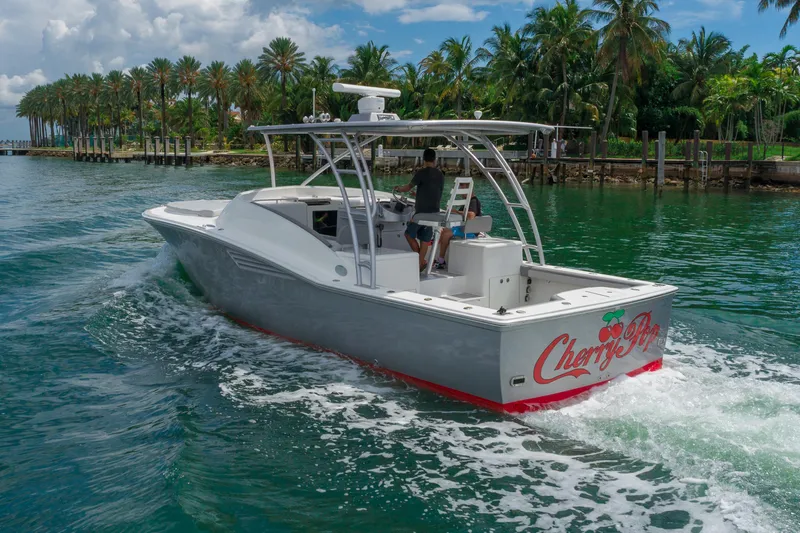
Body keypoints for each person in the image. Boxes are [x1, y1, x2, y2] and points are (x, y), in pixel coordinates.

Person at [394, 148, 444, 270]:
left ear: (423, 159)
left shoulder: (421, 173)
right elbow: (436, 193)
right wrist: (419, 196)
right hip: (434, 212)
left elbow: (408, 187)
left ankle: (419, 260)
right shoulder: (440, 175)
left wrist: (398, 189)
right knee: (425, 239)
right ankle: (421, 262)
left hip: (421, 213)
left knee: (408, 234)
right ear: (435, 159)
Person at [434, 187, 481, 270]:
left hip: (470, 230)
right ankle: (439, 259)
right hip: (465, 228)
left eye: (462, 191)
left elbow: (471, 215)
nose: (461, 194)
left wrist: (455, 211)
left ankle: (441, 261)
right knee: (442, 230)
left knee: (446, 234)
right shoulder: (468, 201)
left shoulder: (473, 201)